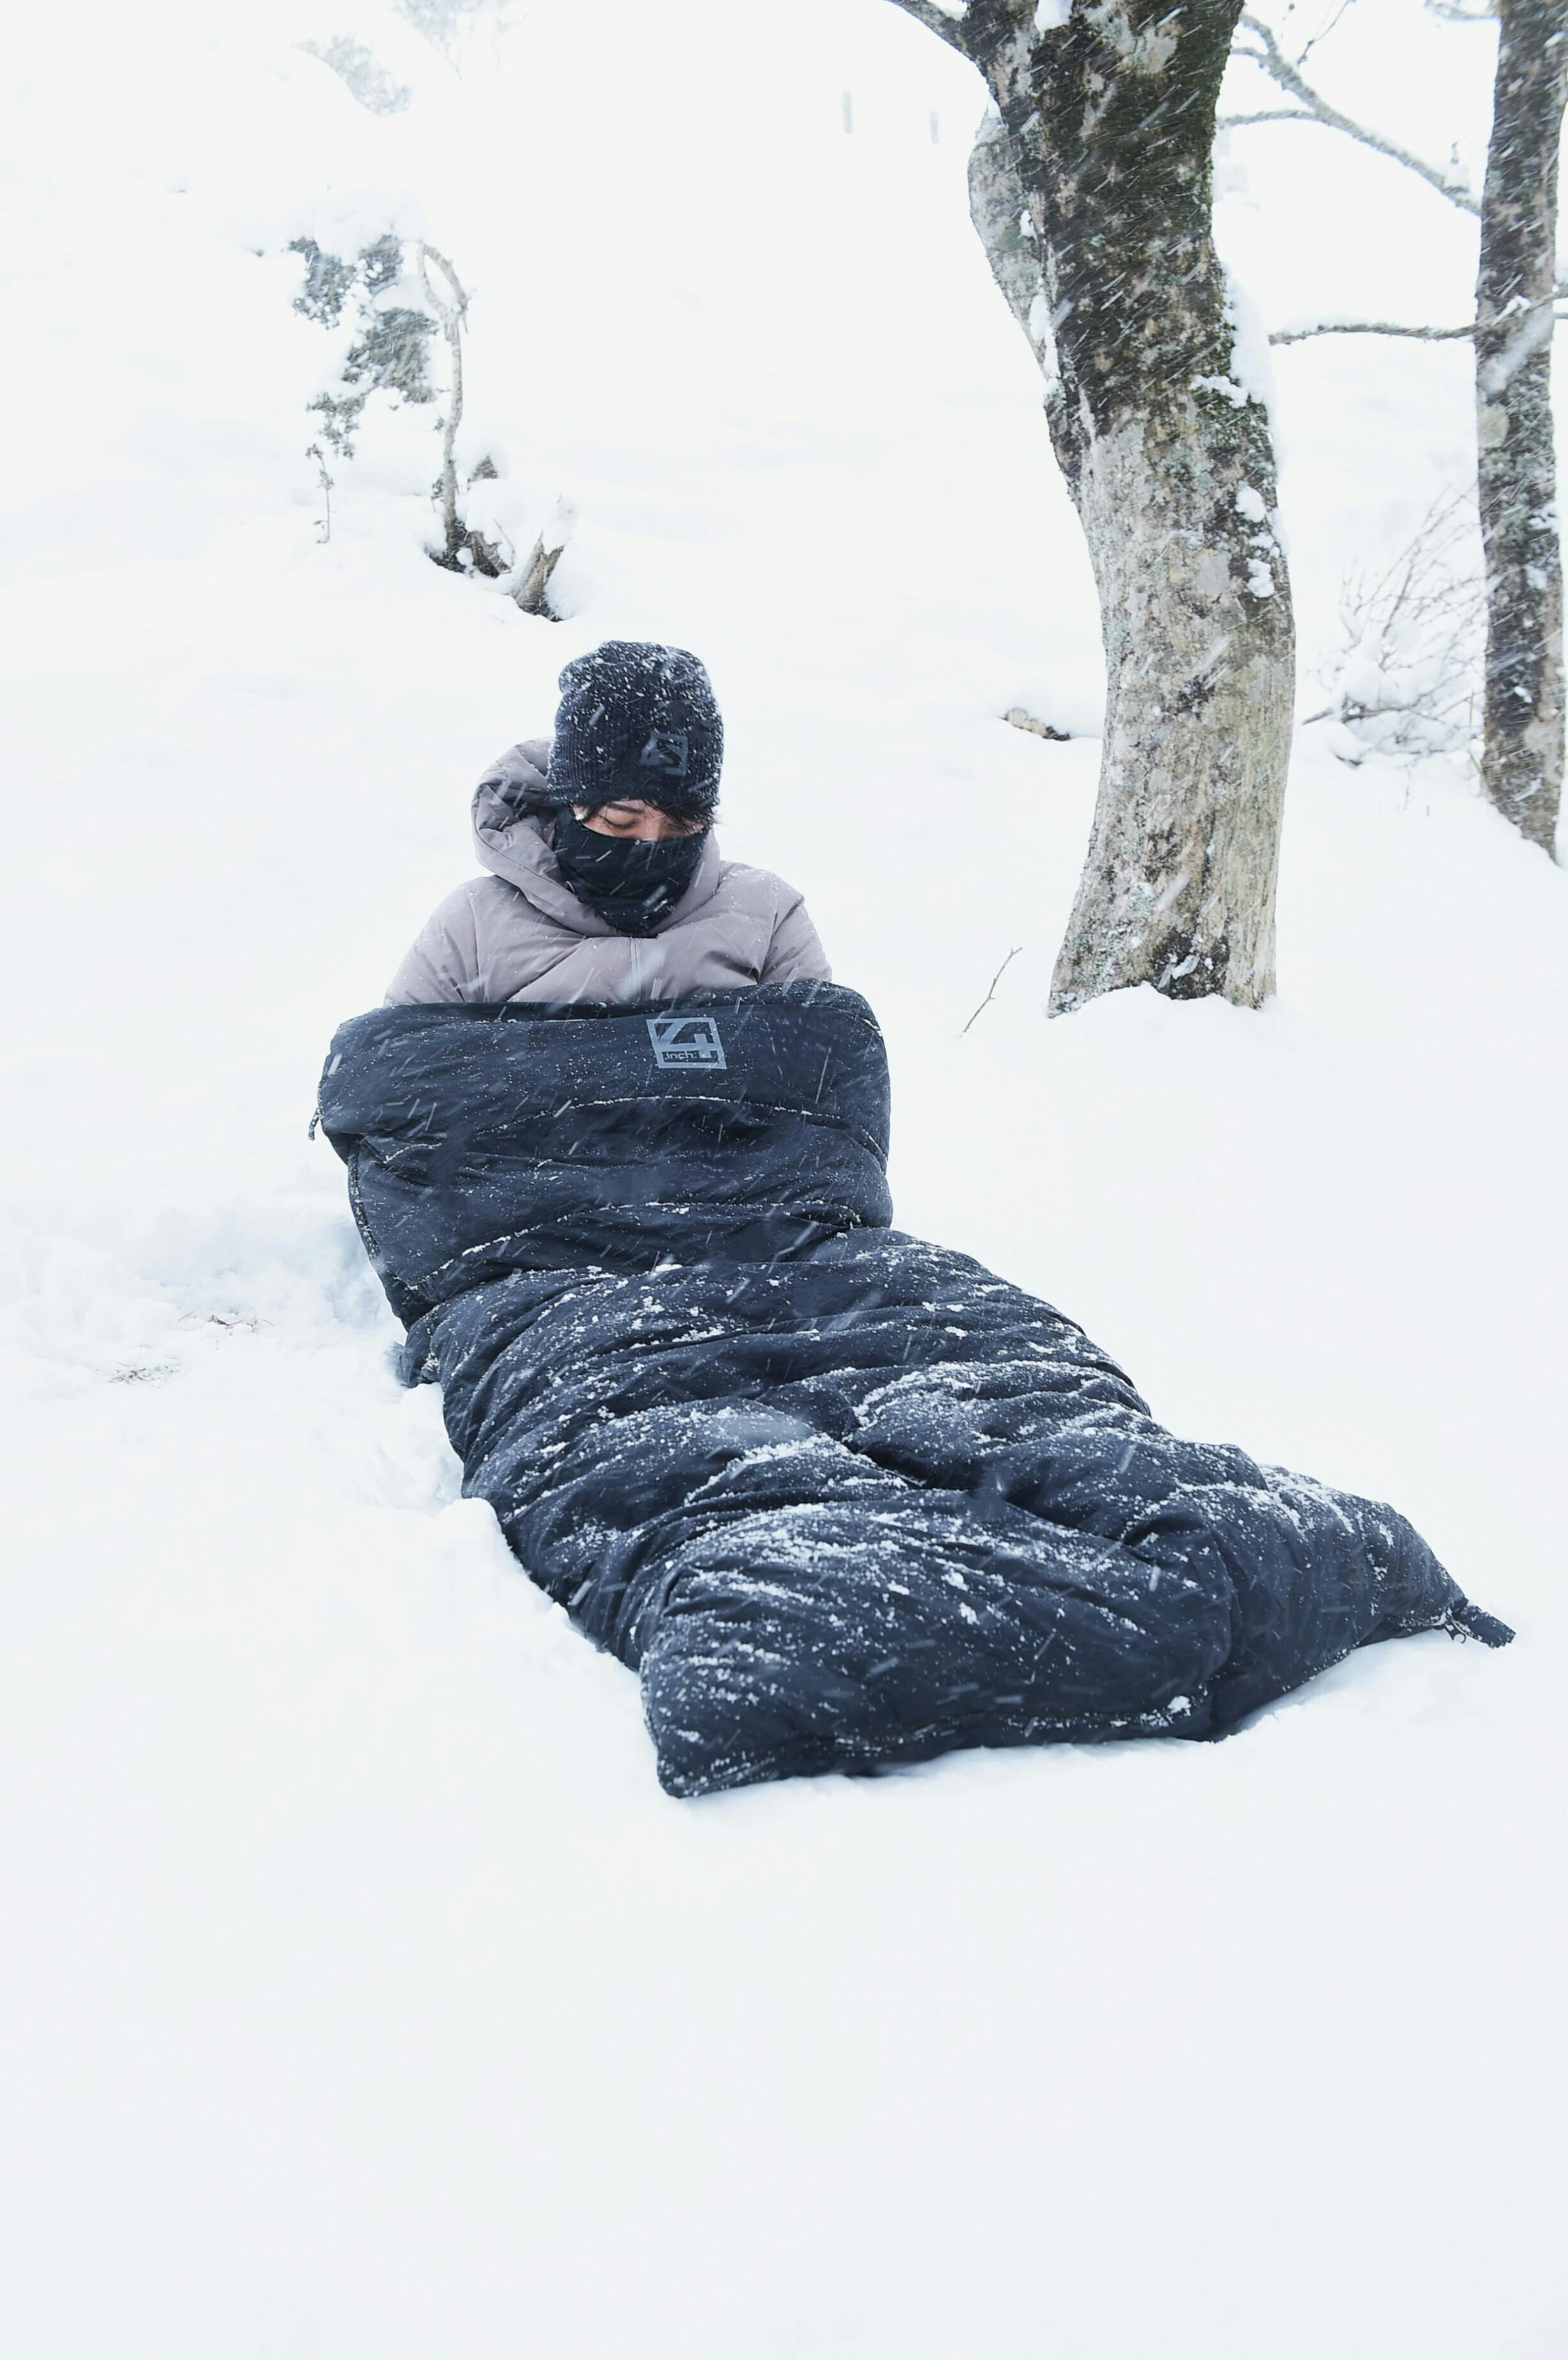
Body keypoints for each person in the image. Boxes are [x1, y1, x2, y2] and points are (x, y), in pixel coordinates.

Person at [387, 640, 831, 1005]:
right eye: (620, 822)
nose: (652, 844)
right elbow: (391, 1075)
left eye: (682, 824)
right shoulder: (476, 922)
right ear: (569, 805)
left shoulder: (766, 914)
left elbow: (825, 1071)